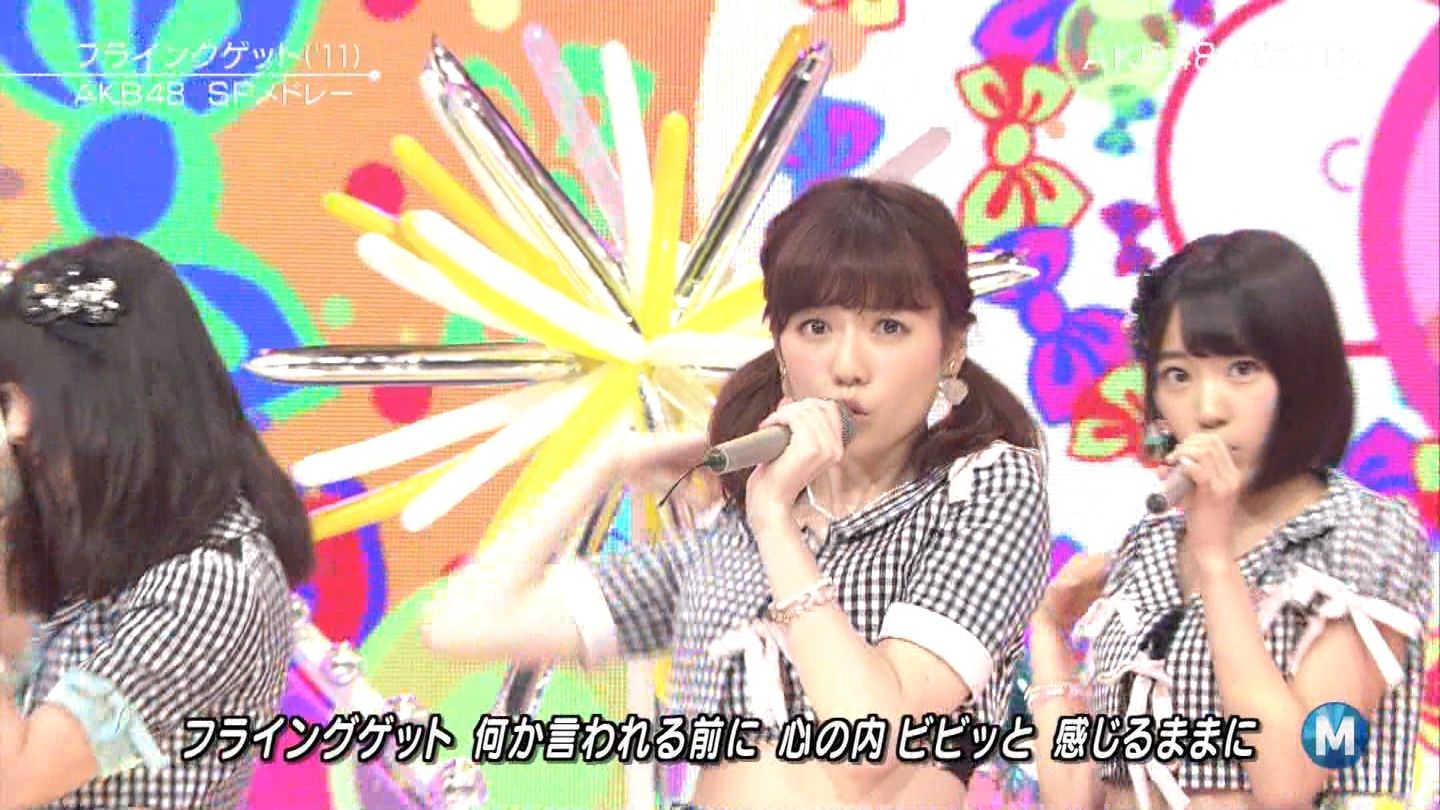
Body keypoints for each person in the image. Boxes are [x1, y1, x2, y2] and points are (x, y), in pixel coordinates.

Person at [422, 177, 1052, 808]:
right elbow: (464, 624)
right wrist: (604, 465)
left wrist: (775, 521)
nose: (847, 366)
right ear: (780, 349)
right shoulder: (730, 540)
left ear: (951, 349)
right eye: (815, 327)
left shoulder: (985, 488)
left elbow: (872, 742)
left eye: (889, 327)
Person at [1029, 230, 1433, 810]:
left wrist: (1217, 562)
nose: (1208, 409)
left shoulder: (1362, 536)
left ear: (1301, 379)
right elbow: (1077, 796)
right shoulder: (1150, 544)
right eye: (1178, 375)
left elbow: (1289, 780)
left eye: (1242, 370)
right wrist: (1048, 632)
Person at [0, 237, 314, 809]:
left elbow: (14, 782)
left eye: (32, 398)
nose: (17, 429)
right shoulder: (108, 531)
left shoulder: (211, 582)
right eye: (6, 400)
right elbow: (20, 656)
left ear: (110, 402)